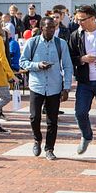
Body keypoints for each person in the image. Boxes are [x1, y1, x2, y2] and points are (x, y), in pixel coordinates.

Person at [19, 17, 72, 160]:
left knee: (52, 120)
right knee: (34, 117)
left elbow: (67, 66)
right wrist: (37, 65)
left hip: (54, 86)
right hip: (37, 85)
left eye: (53, 27)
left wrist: (66, 87)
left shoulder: (61, 44)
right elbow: (22, 62)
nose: (51, 30)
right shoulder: (33, 42)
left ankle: (49, 148)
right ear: (41, 27)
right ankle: (37, 139)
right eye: (48, 27)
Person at [68, 5, 96, 158]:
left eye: (82, 19)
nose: (79, 22)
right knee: (80, 113)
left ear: (93, 18)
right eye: (77, 19)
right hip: (85, 82)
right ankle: (86, 136)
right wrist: (82, 59)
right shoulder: (76, 35)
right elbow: (70, 57)